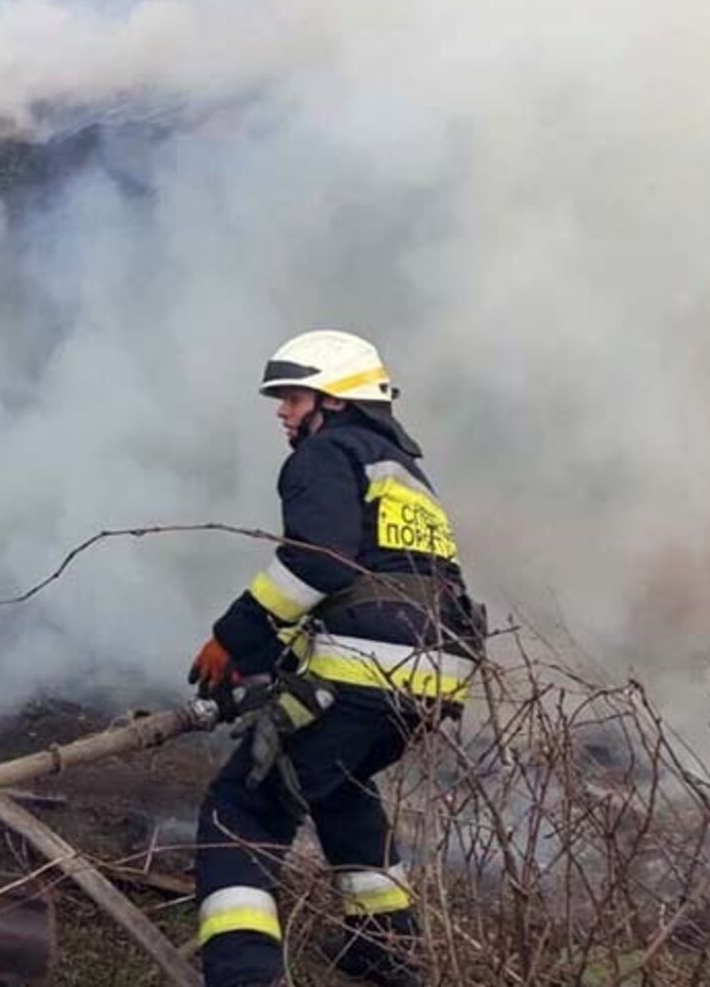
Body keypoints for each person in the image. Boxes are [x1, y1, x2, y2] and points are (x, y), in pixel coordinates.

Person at [188, 330, 486, 987]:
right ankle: (386, 953)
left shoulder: (325, 455)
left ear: (334, 401)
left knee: (242, 810)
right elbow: (375, 585)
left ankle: (245, 975)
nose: (282, 413)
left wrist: (230, 638)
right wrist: (269, 659)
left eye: (292, 398)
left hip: (365, 668)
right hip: (431, 679)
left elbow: (318, 562)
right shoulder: (403, 474)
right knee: (342, 789)